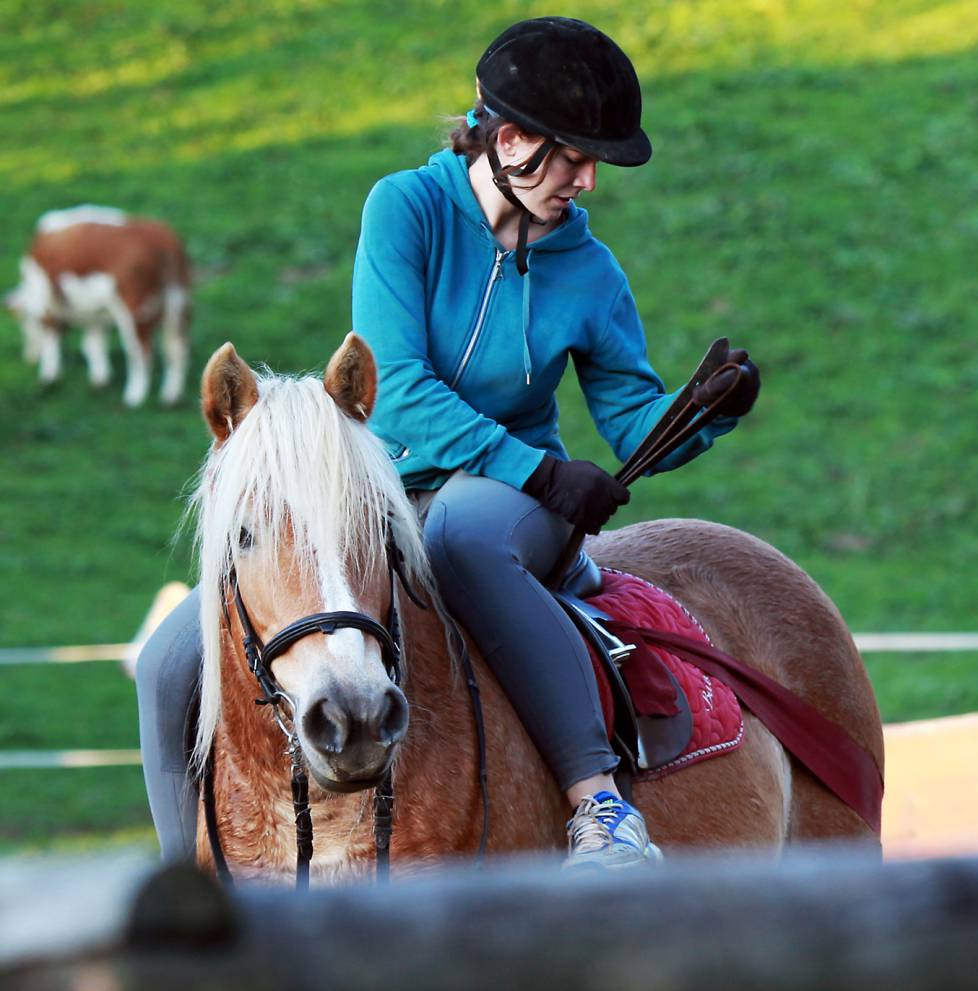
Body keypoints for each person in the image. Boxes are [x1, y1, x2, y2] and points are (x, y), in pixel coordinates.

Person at [135, 16, 756, 870]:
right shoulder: (406, 210)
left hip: (504, 508)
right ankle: (185, 884)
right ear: (511, 141)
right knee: (171, 660)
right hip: (386, 493)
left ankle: (599, 808)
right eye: (575, 157)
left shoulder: (592, 270)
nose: (588, 181)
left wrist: (702, 410)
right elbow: (398, 389)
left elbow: (629, 420)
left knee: (459, 538)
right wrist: (539, 464)